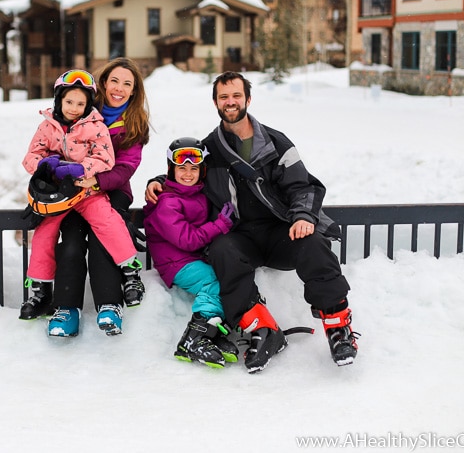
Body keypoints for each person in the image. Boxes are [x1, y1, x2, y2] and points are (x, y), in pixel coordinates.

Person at [145, 71, 358, 373]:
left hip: (280, 230)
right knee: (222, 250)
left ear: (247, 98)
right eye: (223, 97)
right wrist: (157, 182)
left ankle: (338, 326)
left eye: (235, 95)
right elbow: (186, 172)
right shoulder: (212, 149)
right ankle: (261, 328)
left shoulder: (276, 142)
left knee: (313, 243)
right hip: (242, 235)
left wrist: (303, 216)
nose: (230, 102)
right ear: (216, 102)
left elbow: (302, 186)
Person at [20, 69, 141, 337]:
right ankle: (40, 290)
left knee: (108, 222)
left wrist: (82, 170)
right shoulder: (47, 125)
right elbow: (30, 156)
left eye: (80, 103)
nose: (74, 108)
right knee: (46, 233)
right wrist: (44, 166)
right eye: (69, 102)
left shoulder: (96, 125)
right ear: (58, 101)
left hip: (89, 191)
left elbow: (107, 159)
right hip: (57, 196)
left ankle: (129, 271)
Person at [47, 58, 151, 338]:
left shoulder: (133, 123)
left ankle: (109, 304)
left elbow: (127, 167)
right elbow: (54, 147)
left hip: (111, 190)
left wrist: (97, 180)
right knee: (70, 240)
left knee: (102, 239)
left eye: (127, 84)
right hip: (75, 192)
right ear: (104, 82)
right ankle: (66, 309)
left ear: (134, 91)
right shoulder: (79, 108)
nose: (119, 88)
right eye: (114, 81)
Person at [143, 137, 239, 368]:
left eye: (193, 168)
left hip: (190, 258)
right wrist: (220, 225)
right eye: (181, 168)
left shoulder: (196, 193)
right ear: (171, 170)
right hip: (175, 263)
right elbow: (187, 239)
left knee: (229, 279)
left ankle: (212, 332)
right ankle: (193, 338)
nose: (188, 173)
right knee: (212, 283)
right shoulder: (167, 203)